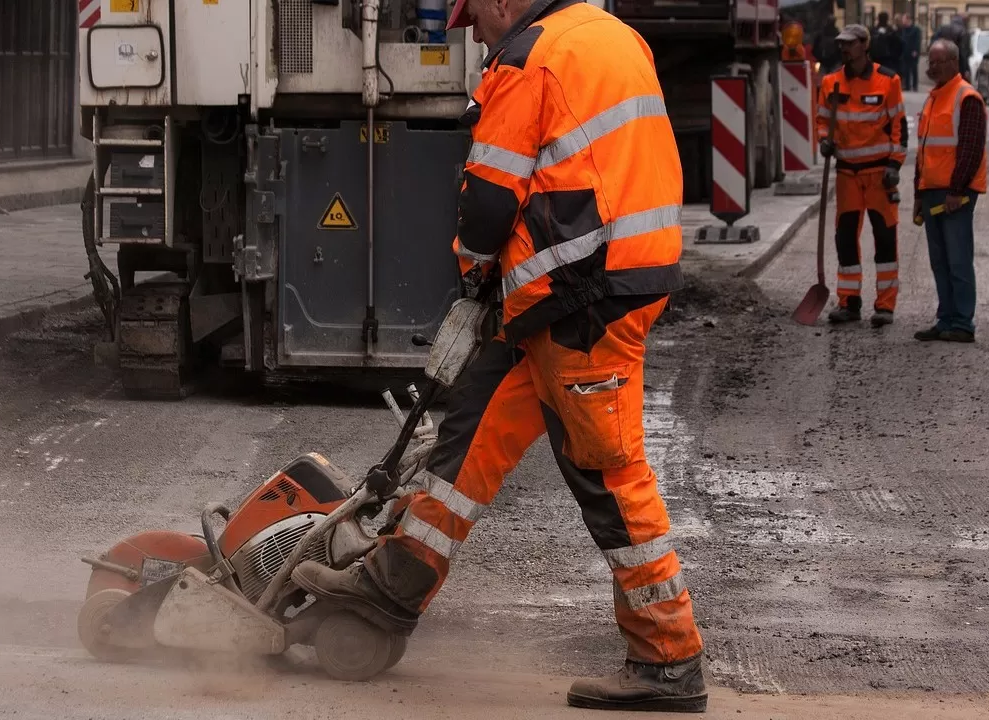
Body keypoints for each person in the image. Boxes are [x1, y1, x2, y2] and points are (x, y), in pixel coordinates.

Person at [291, 0, 706, 712]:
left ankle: (669, 660)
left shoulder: (526, 57)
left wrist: (473, 274)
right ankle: (393, 586)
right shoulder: (612, 37)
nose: (473, 30)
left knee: (606, 473)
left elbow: (487, 203)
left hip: (583, 297)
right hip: (579, 287)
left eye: (474, 14)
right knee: (470, 429)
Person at [815, 25, 908, 327]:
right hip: (847, 174)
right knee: (845, 238)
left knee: (884, 238)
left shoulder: (888, 80)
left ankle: (884, 306)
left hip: (879, 173)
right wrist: (823, 141)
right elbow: (821, 120)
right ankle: (849, 303)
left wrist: (895, 164)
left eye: (851, 44)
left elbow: (899, 126)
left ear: (865, 46)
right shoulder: (831, 82)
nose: (844, 49)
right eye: (841, 44)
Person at [913, 40, 987, 343]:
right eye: (930, 61)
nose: (931, 67)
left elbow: (970, 149)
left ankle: (962, 323)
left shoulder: (966, 97)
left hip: (955, 193)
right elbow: (924, 150)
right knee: (940, 260)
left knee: (957, 259)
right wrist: (918, 193)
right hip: (932, 191)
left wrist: (956, 190)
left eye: (938, 61)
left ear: (954, 62)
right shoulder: (934, 98)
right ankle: (946, 319)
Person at [932, 14, 972, 78]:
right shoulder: (963, 31)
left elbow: (933, 42)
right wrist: (966, 69)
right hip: (957, 63)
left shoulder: (942, 28)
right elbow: (963, 52)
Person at [899, 13, 923, 91]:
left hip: (913, 52)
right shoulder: (903, 29)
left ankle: (915, 86)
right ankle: (907, 85)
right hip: (904, 52)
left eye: (904, 19)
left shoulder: (916, 29)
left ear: (908, 20)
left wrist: (915, 50)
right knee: (905, 69)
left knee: (913, 69)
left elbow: (917, 41)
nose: (903, 21)